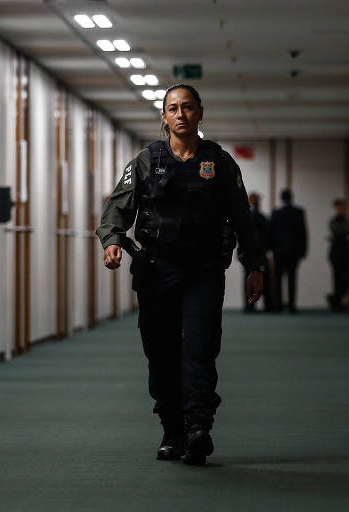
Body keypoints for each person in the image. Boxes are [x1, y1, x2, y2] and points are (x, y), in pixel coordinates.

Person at [96, 84, 265, 466]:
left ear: (200, 113)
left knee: (201, 345)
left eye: (188, 107)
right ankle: (172, 429)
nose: (181, 114)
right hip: (157, 269)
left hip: (204, 269)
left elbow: (242, 217)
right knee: (161, 350)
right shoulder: (145, 161)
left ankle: (198, 427)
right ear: (164, 116)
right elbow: (117, 208)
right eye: (173, 108)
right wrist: (112, 240)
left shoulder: (219, 162)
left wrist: (255, 265)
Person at [268, 189, 307, 312]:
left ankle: (278, 305)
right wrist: (303, 251)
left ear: (281, 198)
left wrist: (270, 249)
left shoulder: (276, 213)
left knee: (278, 279)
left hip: (278, 252)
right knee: (292, 279)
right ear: (291, 198)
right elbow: (303, 233)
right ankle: (291, 305)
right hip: (294, 252)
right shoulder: (299, 212)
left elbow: (271, 233)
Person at [244, 192, 269, 312]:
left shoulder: (246, 216)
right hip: (256, 253)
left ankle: (249, 305)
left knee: (249, 278)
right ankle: (251, 304)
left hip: (248, 253)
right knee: (256, 278)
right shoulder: (259, 216)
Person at [328, 199, 349, 310]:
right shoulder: (333, 221)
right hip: (336, 252)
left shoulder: (347, 220)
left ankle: (343, 301)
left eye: (343, 208)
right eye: (340, 208)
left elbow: (346, 231)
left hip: (345, 252)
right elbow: (340, 232)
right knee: (337, 277)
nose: (342, 210)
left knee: (346, 278)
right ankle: (337, 302)